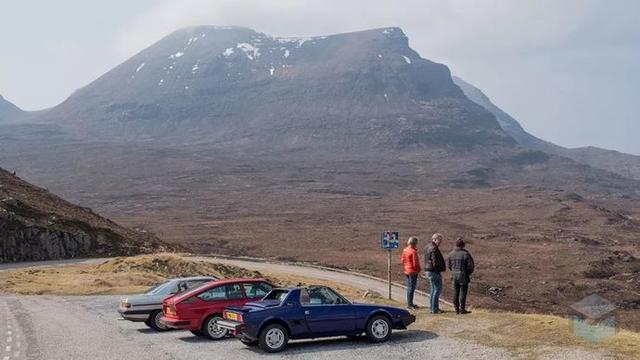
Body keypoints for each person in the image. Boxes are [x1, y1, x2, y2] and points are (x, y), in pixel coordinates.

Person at [448, 238, 475, 314]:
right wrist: (468, 273)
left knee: (455, 292)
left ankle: (456, 309)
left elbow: (449, 265)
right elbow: (471, 266)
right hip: (463, 276)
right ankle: (462, 309)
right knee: (463, 292)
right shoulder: (466, 254)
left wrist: (453, 271)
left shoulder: (451, 254)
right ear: (463, 245)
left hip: (454, 276)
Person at [425, 233, 446, 313]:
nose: (440, 242)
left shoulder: (427, 247)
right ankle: (435, 309)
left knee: (433, 290)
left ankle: (432, 307)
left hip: (429, 270)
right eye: (440, 240)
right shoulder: (434, 248)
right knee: (437, 289)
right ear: (435, 239)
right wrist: (439, 270)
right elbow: (435, 262)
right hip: (434, 271)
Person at [400, 237, 421, 309]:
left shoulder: (405, 250)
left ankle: (410, 303)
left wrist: (406, 266)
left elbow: (402, 260)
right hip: (413, 271)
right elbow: (415, 263)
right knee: (411, 288)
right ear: (414, 243)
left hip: (407, 270)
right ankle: (410, 304)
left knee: (409, 287)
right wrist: (419, 270)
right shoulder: (413, 251)